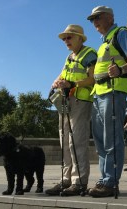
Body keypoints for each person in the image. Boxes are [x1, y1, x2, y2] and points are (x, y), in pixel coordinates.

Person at [86, 5, 127, 198]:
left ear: (110, 17)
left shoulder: (121, 33)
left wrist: (121, 70)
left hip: (113, 93)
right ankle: (104, 179)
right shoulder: (103, 42)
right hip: (99, 94)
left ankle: (110, 182)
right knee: (100, 140)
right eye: (92, 19)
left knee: (111, 139)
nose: (95, 22)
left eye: (98, 17)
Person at [45, 24, 96, 196]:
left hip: (80, 101)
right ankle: (66, 179)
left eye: (69, 37)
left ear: (80, 38)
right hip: (65, 100)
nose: (66, 40)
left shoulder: (89, 54)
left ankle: (79, 182)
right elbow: (62, 75)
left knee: (77, 142)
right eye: (64, 38)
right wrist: (56, 82)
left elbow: (93, 78)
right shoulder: (69, 57)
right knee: (64, 140)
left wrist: (72, 84)